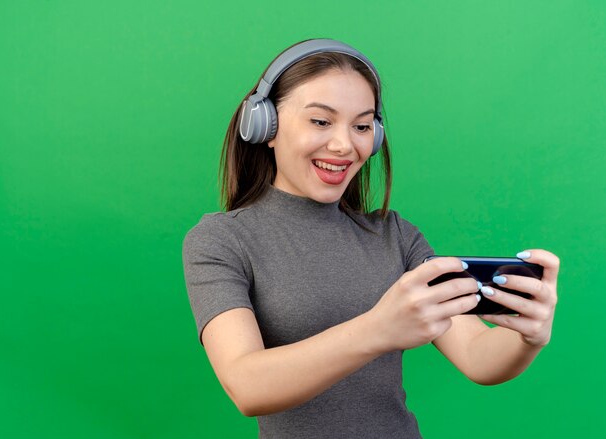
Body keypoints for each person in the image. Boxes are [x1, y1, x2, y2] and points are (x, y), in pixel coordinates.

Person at [182, 38, 560, 438]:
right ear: (266, 126)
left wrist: (526, 336)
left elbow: (477, 358)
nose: (345, 145)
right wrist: (378, 329)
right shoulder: (221, 241)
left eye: (362, 126)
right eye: (321, 121)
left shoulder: (395, 237)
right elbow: (247, 385)